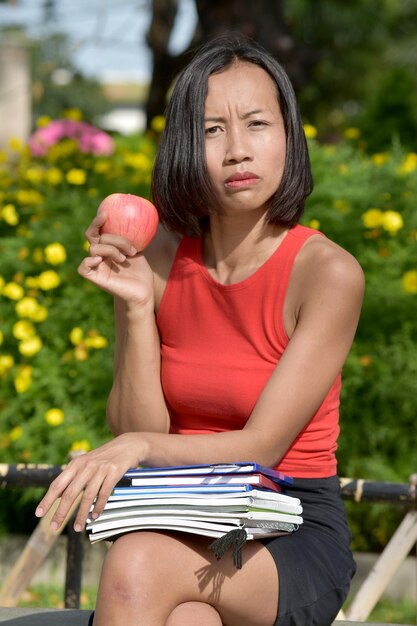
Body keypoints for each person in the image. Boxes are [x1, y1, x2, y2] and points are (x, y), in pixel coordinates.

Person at [36, 34, 365, 626]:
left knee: (136, 563)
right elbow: (141, 427)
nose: (238, 150)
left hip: (287, 529)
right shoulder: (156, 257)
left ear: (289, 135)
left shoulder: (328, 273)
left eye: (257, 123)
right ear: (186, 146)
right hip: (185, 520)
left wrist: (137, 448)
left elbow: (261, 447)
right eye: (213, 130)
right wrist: (138, 308)